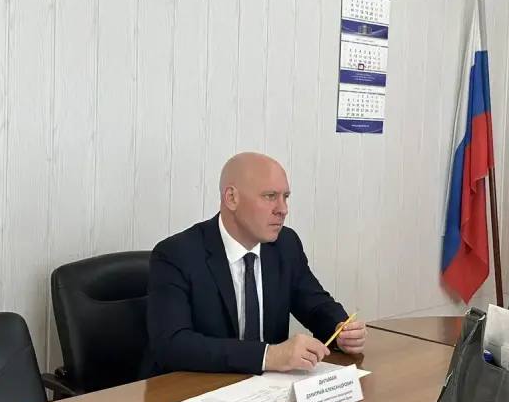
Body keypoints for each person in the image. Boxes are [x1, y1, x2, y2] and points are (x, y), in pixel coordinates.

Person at [141, 152, 366, 376]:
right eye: (270, 196)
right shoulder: (176, 254)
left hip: (265, 388)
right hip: (192, 388)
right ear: (232, 198)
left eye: (286, 197)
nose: (283, 209)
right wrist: (268, 356)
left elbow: (315, 304)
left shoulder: (285, 244)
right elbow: (172, 345)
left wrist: (340, 329)